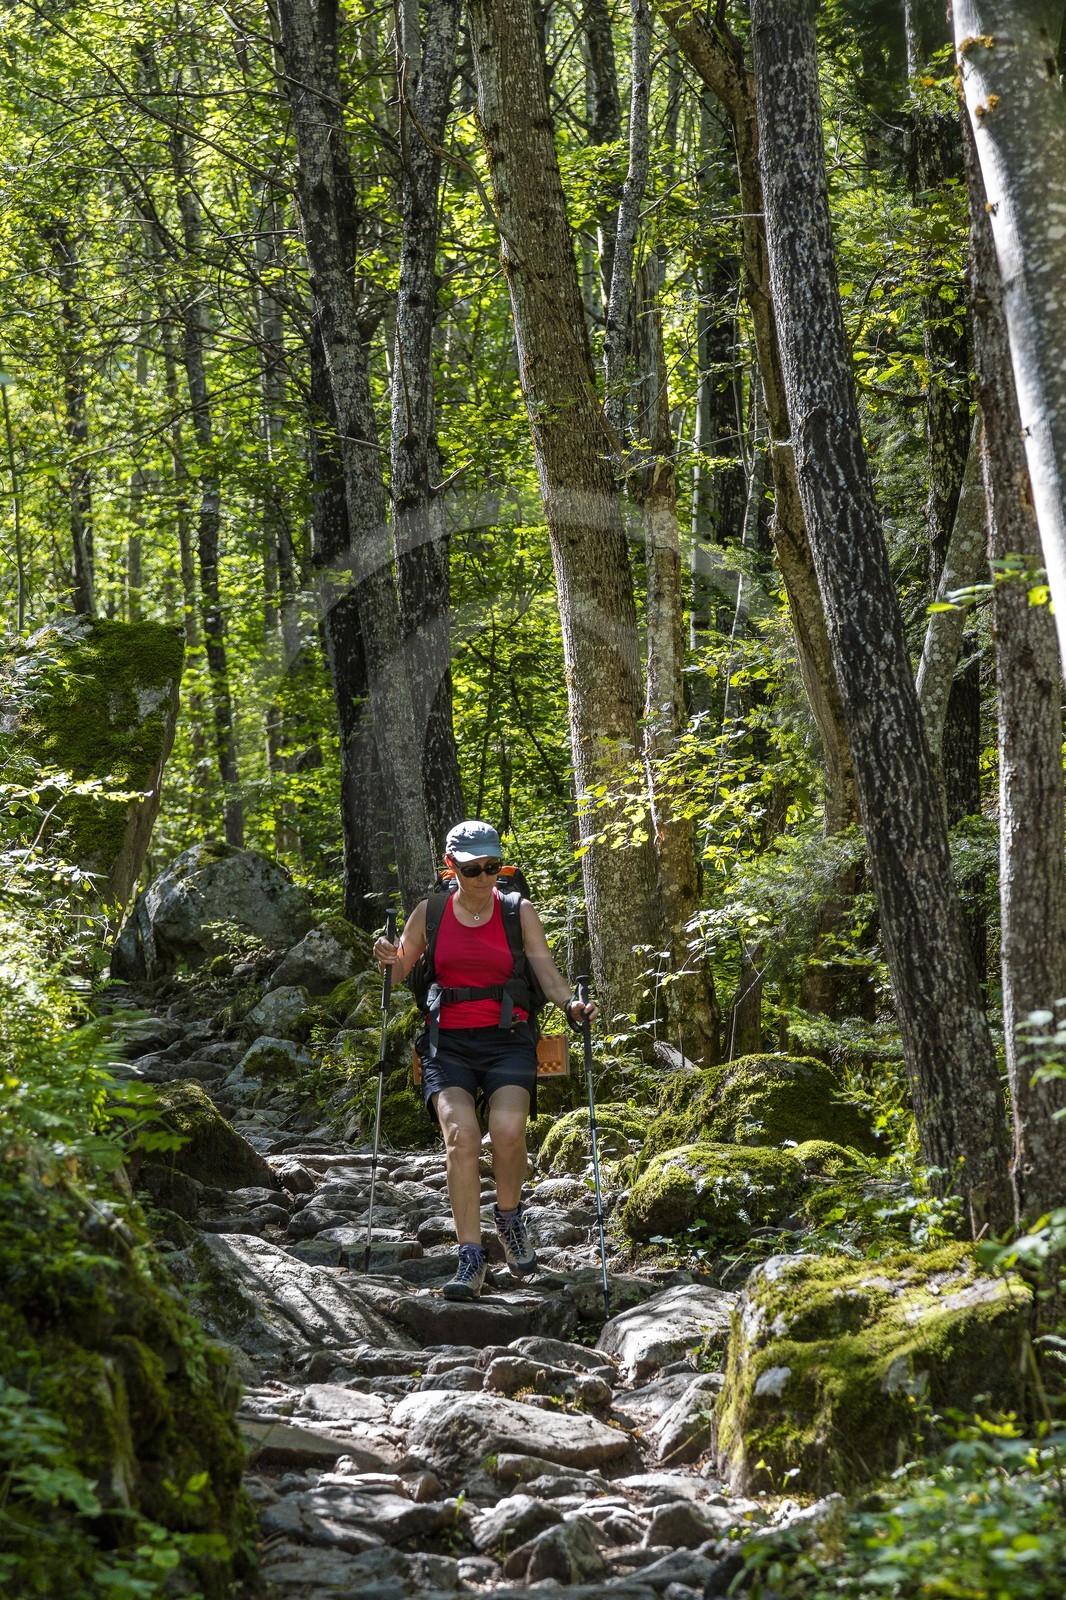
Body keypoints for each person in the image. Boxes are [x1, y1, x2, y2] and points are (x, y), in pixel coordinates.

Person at [373, 820, 596, 1302]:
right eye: (473, 869)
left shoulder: (518, 911)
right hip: (447, 1042)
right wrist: (387, 954)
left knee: (509, 1131)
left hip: (509, 1037)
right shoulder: (430, 912)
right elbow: (400, 968)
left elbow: (547, 974)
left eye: (492, 867)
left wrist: (571, 1006)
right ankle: (470, 1255)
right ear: (451, 867)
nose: (484, 877)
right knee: (462, 1136)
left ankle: (509, 1217)